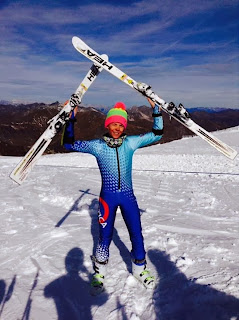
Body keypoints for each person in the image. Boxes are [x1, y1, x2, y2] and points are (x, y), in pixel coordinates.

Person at [62, 84, 164, 294]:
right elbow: (68, 144)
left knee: (136, 233)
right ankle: (99, 272)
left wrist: (156, 109)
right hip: (107, 199)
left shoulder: (131, 143)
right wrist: (71, 118)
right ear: (107, 125)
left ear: (124, 126)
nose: (117, 128)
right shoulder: (98, 146)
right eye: (113, 124)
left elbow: (157, 134)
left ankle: (139, 269)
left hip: (128, 198)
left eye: (120, 125)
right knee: (104, 236)